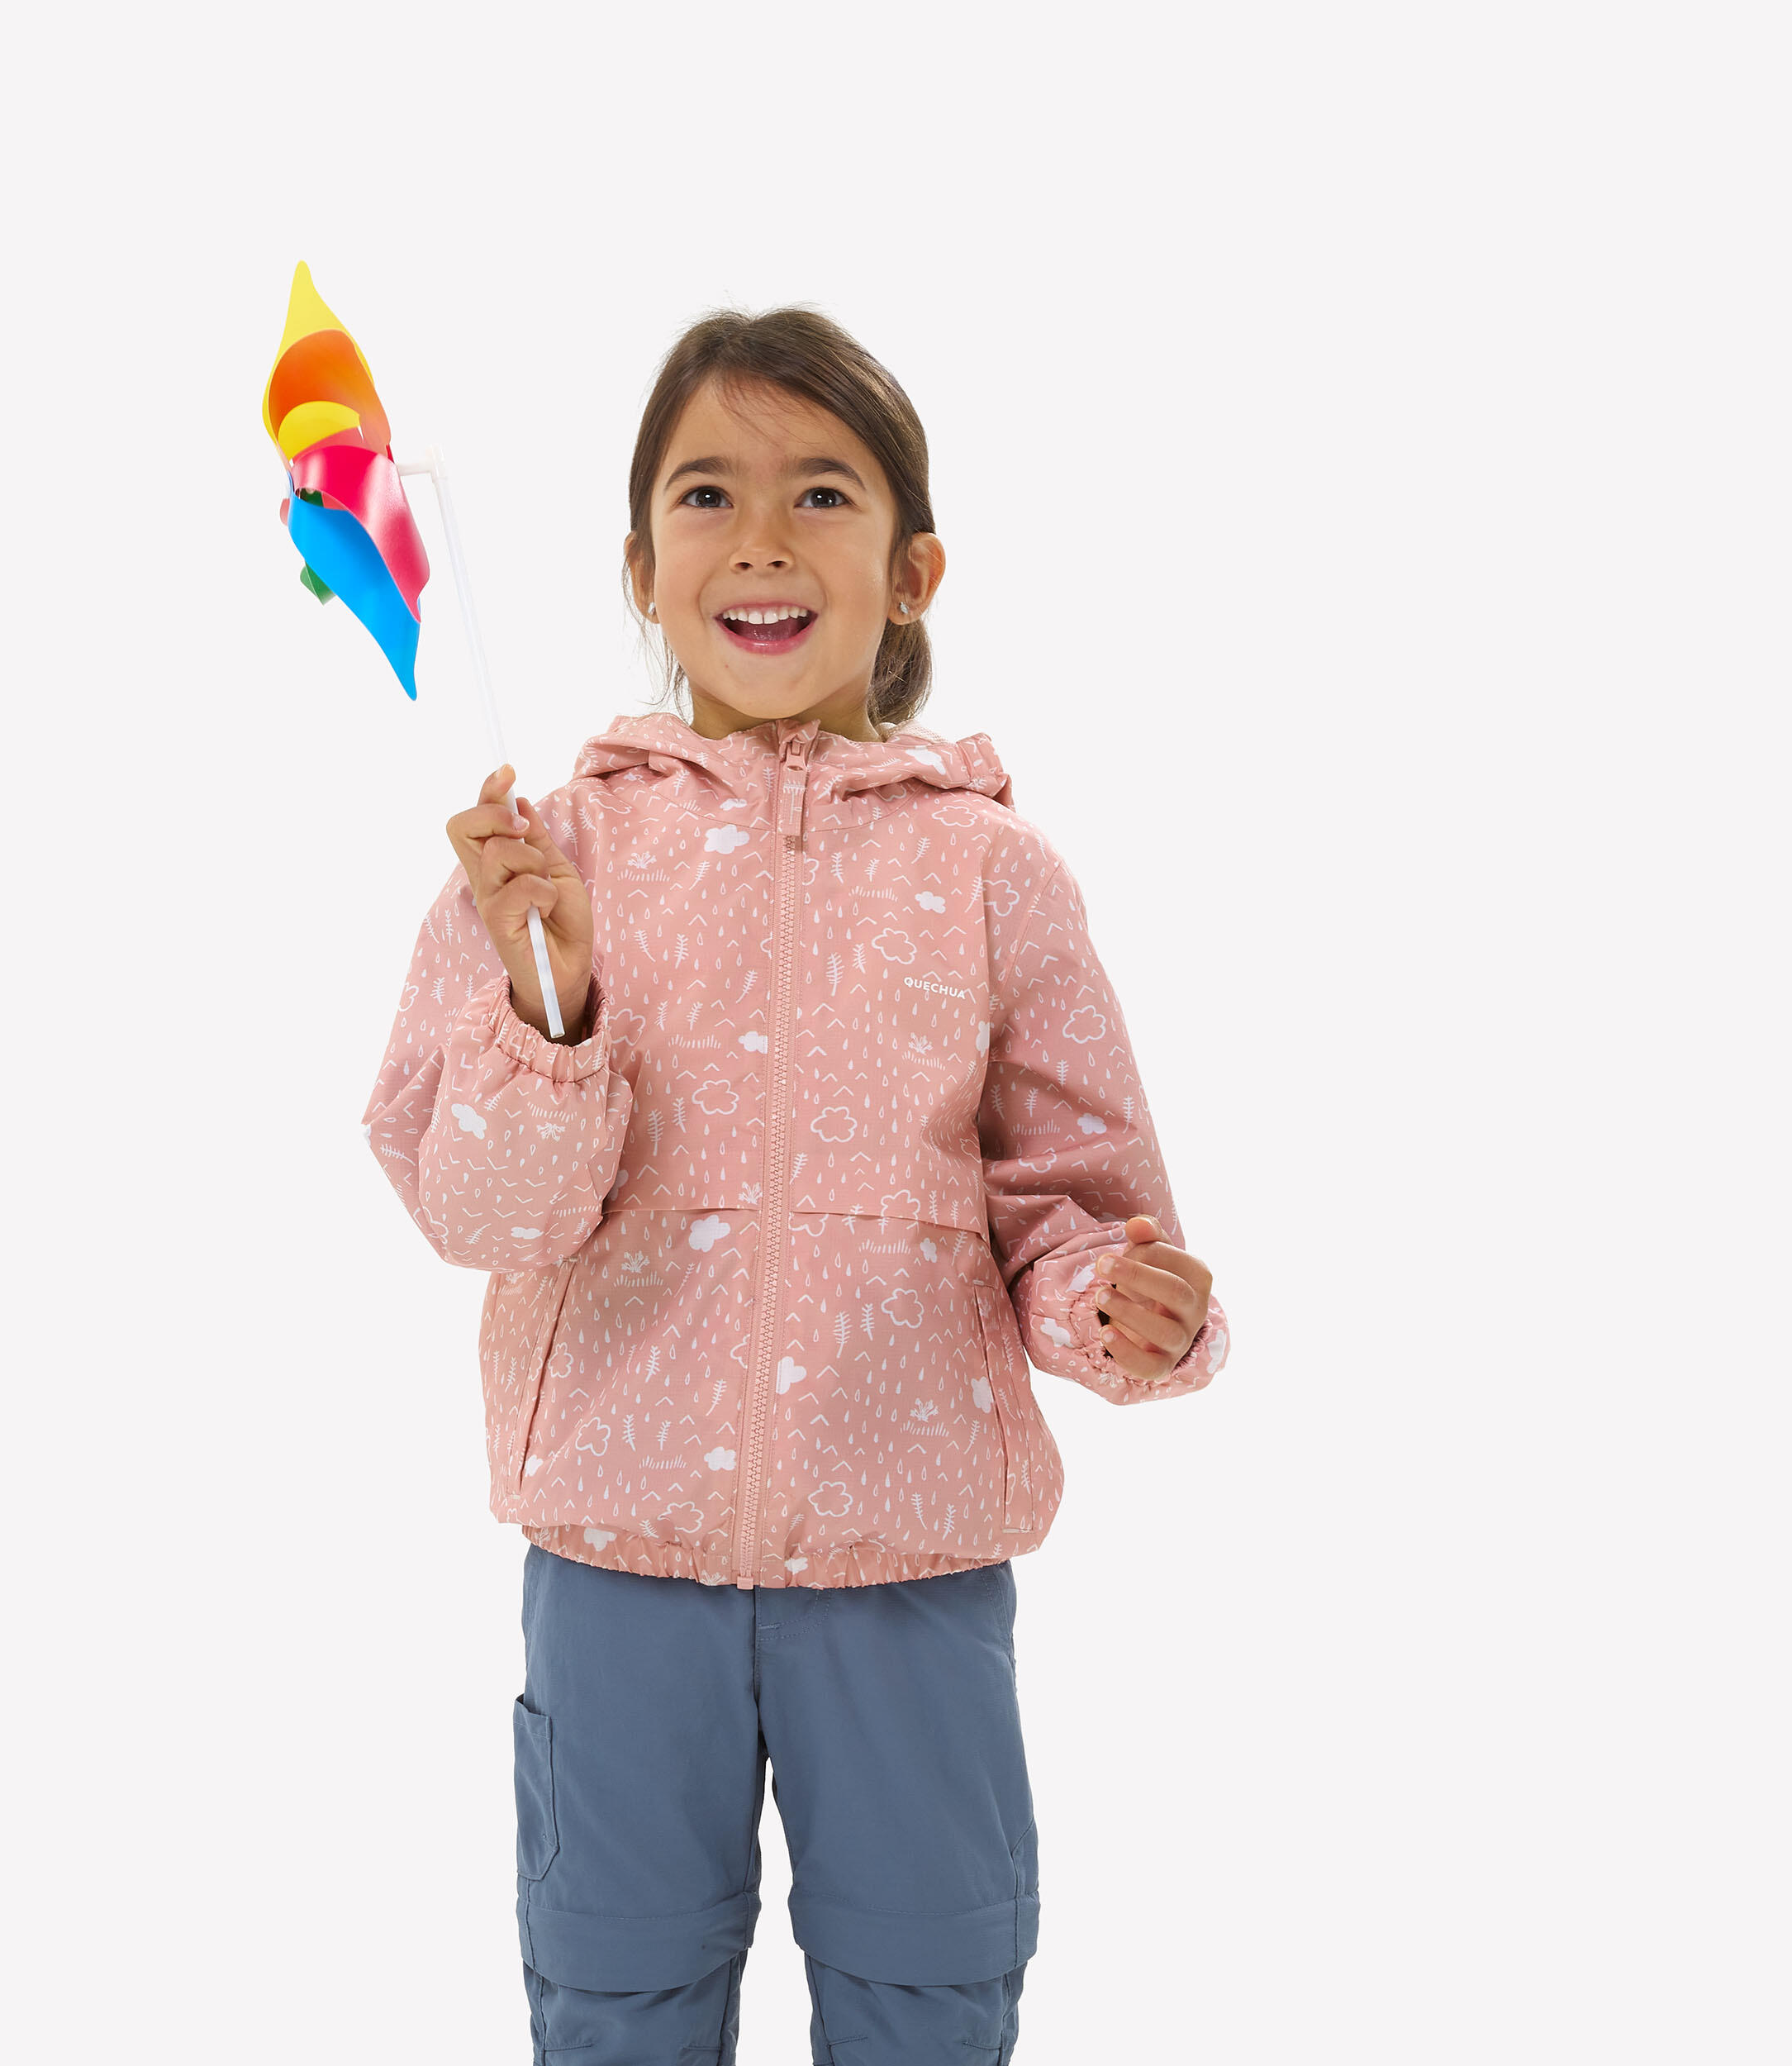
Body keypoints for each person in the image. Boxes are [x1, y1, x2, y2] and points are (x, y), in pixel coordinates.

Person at [362, 307, 1229, 2066]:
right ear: (640, 567)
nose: (759, 535)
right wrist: (554, 1002)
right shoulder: (545, 858)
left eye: (819, 492)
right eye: (706, 494)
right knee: (615, 1990)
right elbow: (482, 1216)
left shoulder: (994, 873)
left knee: (929, 1988)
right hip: (618, 1554)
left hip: (907, 1561)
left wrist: (1117, 1302)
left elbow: (1071, 1205)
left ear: (910, 572)